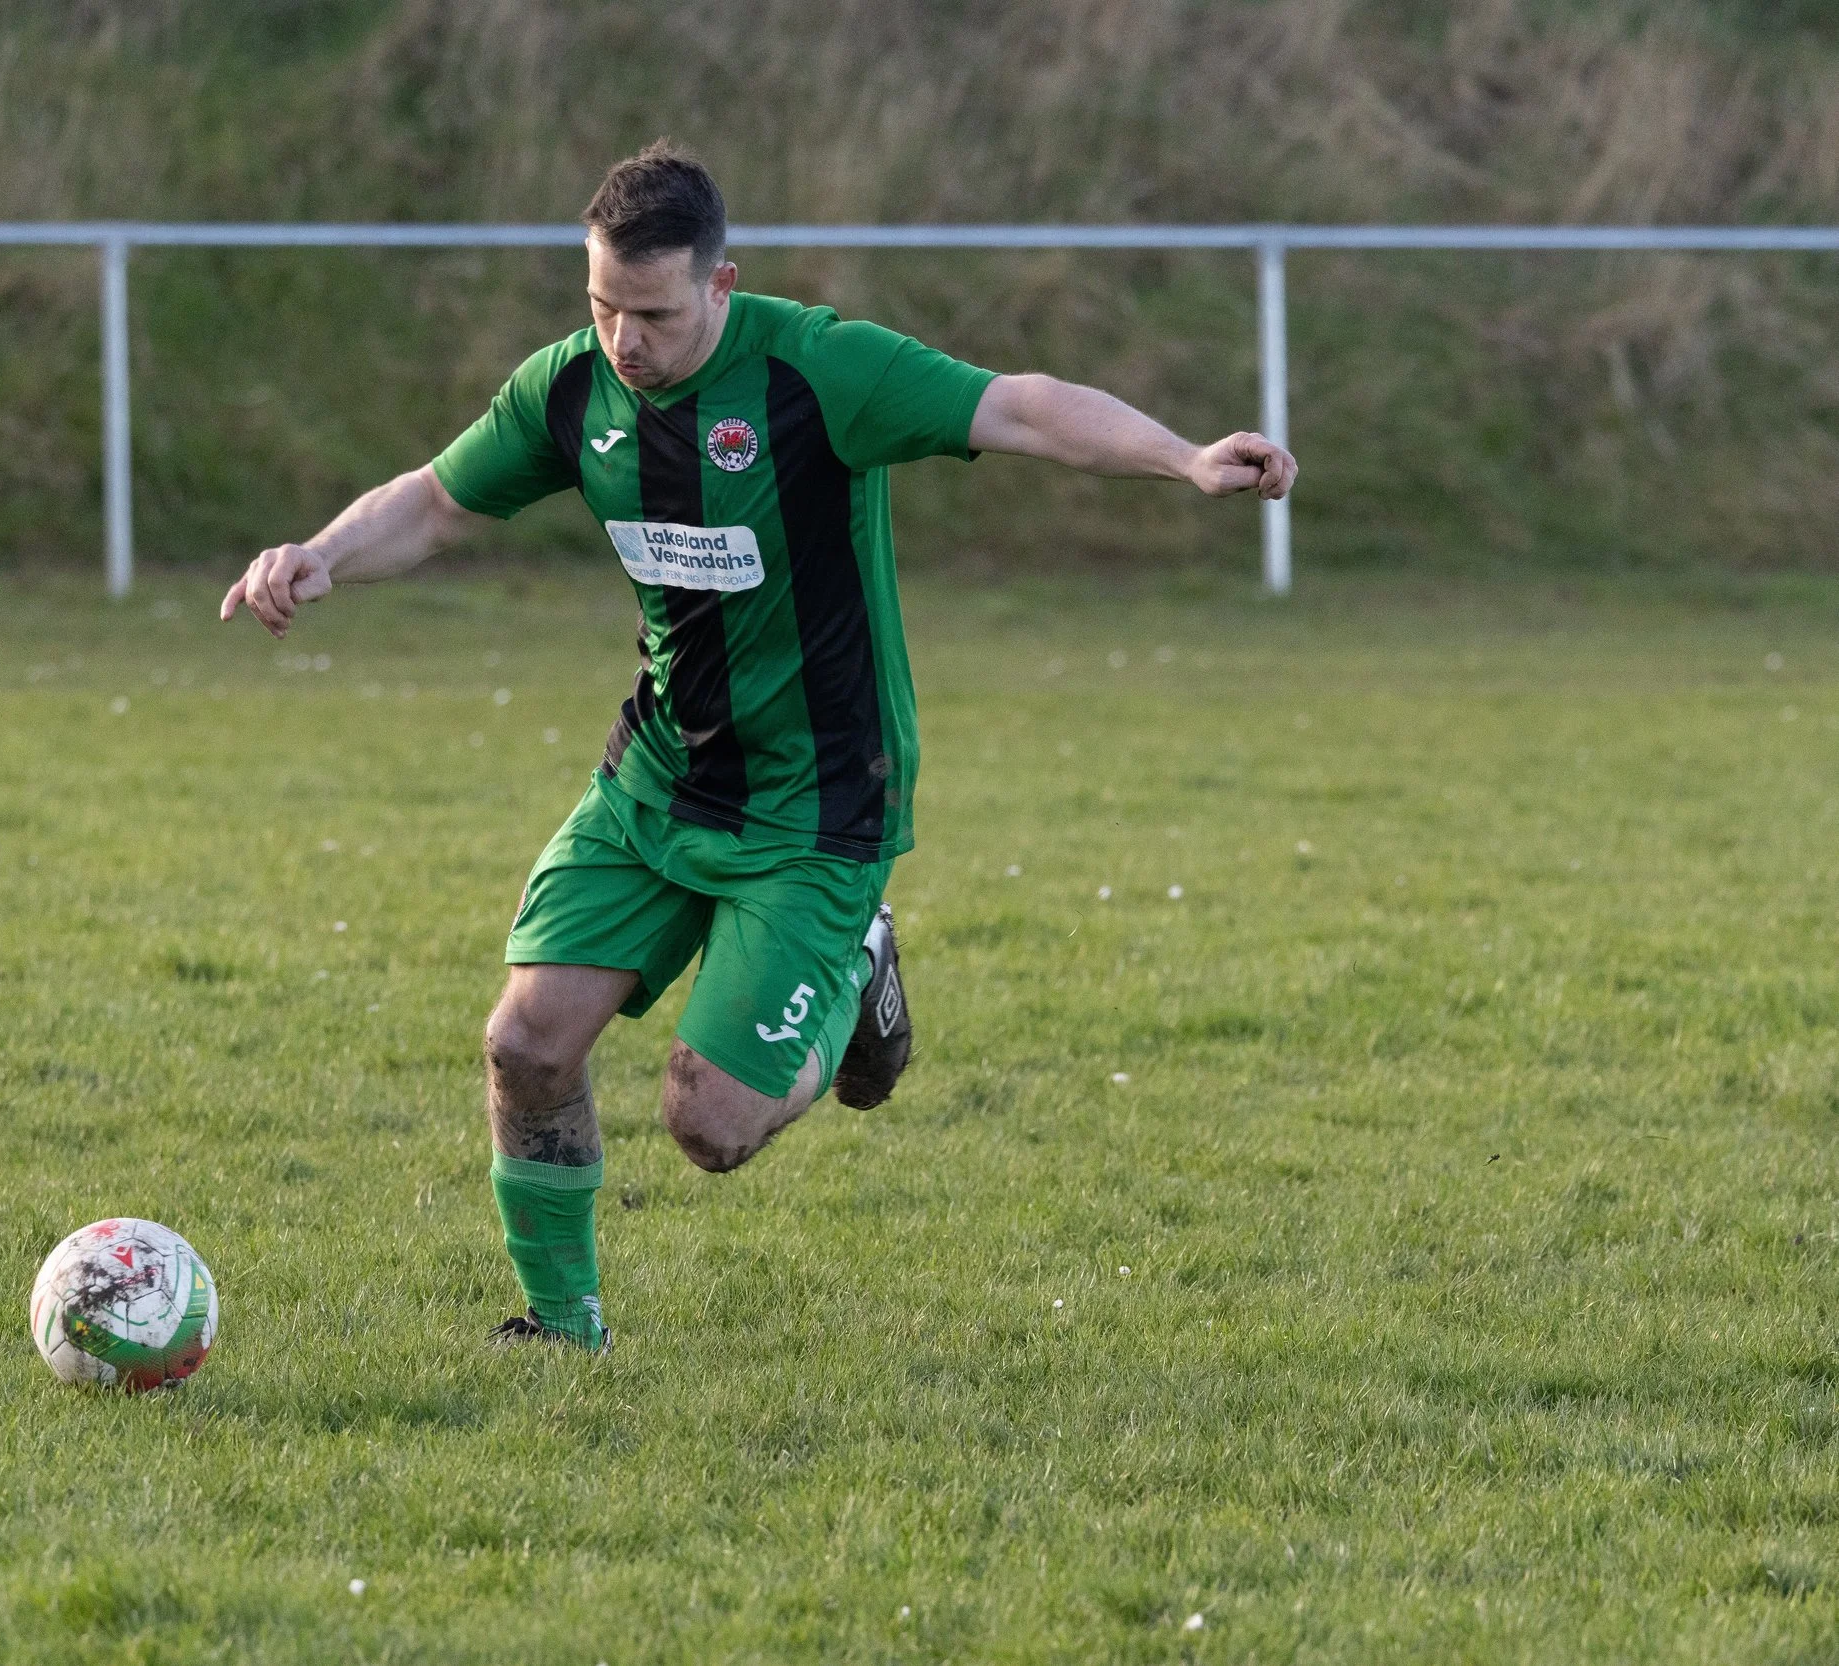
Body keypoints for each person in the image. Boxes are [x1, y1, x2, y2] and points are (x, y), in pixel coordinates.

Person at [222, 141, 1297, 1351]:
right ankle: (562, 1329)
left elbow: (1019, 404)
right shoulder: (572, 390)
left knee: (710, 1126)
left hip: (821, 804)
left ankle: (856, 965)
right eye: (601, 306)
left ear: (722, 285)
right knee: (524, 1044)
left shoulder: (816, 369)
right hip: (662, 779)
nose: (626, 340)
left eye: (655, 314)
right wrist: (318, 554)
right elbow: (433, 501)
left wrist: (1184, 458)